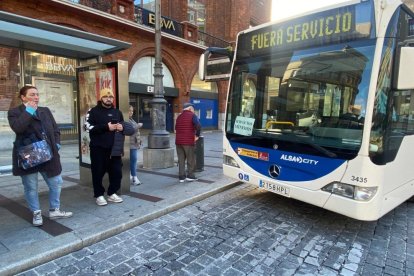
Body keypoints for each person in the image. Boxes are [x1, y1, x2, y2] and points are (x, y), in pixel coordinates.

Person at [8, 85, 73, 226]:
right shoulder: (14, 112)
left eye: (37, 94)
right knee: (31, 186)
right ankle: (36, 213)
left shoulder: (45, 111)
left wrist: (56, 143)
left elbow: (55, 129)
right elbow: (18, 128)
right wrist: (29, 110)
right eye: (32, 95)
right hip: (28, 155)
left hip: (48, 153)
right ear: (23, 97)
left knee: (56, 182)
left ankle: (54, 209)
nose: (36, 97)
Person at [84, 88, 134, 206]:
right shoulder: (93, 111)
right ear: (101, 98)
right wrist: (106, 127)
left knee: (117, 173)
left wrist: (122, 128)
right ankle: (99, 195)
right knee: (97, 172)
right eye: (106, 97)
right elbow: (87, 127)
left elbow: (123, 126)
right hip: (98, 148)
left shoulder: (117, 112)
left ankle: (112, 193)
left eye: (110, 97)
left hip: (114, 150)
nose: (108, 99)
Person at [175, 102, 201, 183]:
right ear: (190, 108)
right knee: (190, 159)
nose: (193, 111)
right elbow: (198, 125)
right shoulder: (192, 115)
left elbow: (176, 128)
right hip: (188, 142)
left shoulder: (179, 117)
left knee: (181, 159)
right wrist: (197, 135)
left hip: (178, 142)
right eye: (193, 109)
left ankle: (181, 177)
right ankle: (190, 176)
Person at [128, 105, 143, 185]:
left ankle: (131, 174)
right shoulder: (126, 120)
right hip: (130, 144)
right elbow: (129, 130)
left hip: (134, 143)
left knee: (132, 160)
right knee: (133, 160)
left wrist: (140, 140)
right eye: (129, 111)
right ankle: (134, 177)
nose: (131, 112)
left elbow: (135, 132)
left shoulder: (131, 119)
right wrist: (138, 126)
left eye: (132, 111)